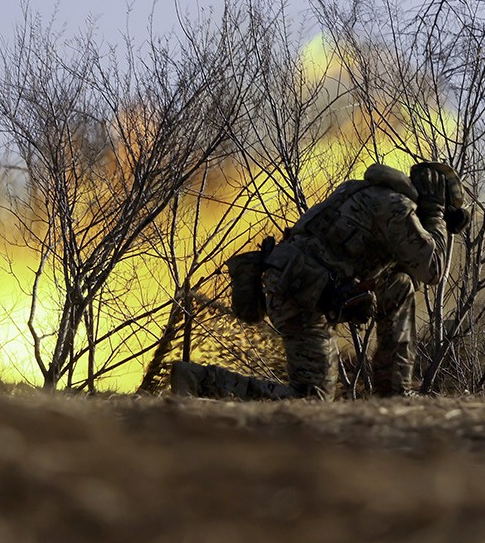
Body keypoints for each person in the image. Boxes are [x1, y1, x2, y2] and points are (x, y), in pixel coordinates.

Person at [172, 160, 469, 400]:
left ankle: (394, 391)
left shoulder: (369, 192)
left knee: (399, 285)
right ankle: (198, 380)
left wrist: (438, 220)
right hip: (299, 293)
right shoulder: (394, 207)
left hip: (304, 284)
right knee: (313, 398)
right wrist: (434, 215)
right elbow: (432, 269)